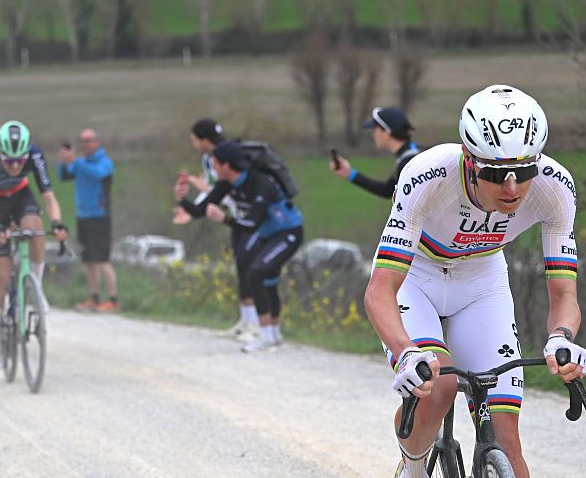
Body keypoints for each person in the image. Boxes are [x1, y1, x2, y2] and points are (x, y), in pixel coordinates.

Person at [364, 85, 586, 478]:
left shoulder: (555, 188)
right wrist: (407, 351)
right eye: (495, 174)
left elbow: (564, 293)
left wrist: (562, 340)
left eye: (523, 171)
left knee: (507, 437)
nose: (512, 188)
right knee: (436, 388)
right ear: (468, 160)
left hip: (482, 283)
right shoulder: (426, 175)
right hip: (416, 279)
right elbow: (379, 291)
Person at [176, 141, 304, 353]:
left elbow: (252, 223)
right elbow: (200, 211)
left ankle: (264, 335)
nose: (212, 169)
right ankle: (273, 334)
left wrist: (224, 219)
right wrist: (181, 199)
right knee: (268, 280)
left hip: (288, 232)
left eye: (215, 164)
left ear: (227, 165)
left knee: (256, 274)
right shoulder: (226, 184)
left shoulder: (260, 183)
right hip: (267, 235)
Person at [0, 120, 68, 369]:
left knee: (35, 228)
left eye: (19, 161)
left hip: (19, 197)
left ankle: (35, 287)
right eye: (9, 161)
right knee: (2, 274)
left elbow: (49, 197)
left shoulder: (34, 155)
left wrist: (57, 223)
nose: (15, 166)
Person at [173, 118, 258, 341]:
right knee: (241, 266)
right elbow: (216, 192)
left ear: (204, 139)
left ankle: (256, 324)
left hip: (245, 214)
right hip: (231, 214)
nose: (193, 144)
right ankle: (246, 321)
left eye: (194, 140)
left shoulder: (221, 156)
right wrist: (193, 208)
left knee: (250, 268)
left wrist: (202, 193)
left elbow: (225, 187)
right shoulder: (210, 158)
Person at [58, 128, 119, 313]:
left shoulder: (105, 162)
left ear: (97, 142)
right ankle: (94, 296)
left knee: (102, 259)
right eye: (82, 141)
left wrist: (75, 161)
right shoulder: (81, 163)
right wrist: (64, 161)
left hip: (100, 215)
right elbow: (64, 175)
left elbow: (97, 174)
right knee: (88, 260)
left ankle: (113, 299)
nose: (85, 144)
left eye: (88, 140)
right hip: (82, 215)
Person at [330, 106, 421, 199]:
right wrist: (349, 173)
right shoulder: (412, 154)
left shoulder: (409, 163)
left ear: (386, 132)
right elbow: (387, 190)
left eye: (375, 130)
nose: (372, 134)